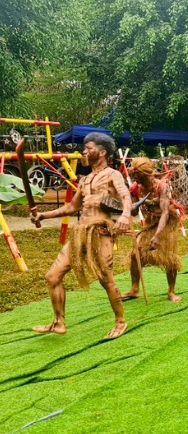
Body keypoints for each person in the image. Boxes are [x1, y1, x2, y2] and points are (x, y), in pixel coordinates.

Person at [30, 133, 131, 338]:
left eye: (89, 148)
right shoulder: (85, 179)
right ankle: (59, 322)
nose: (84, 151)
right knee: (53, 276)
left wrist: (125, 216)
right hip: (80, 235)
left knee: (106, 280)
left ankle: (121, 321)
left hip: (100, 234)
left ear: (102, 152)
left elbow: (125, 196)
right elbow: (71, 207)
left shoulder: (113, 175)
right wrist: (44, 214)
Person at [123, 157, 184, 302]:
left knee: (169, 257)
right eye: (134, 175)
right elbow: (131, 212)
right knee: (135, 254)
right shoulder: (135, 188)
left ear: (147, 174)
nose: (135, 178)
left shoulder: (161, 187)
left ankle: (171, 291)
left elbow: (164, 213)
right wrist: (131, 207)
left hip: (167, 222)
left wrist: (157, 236)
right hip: (150, 222)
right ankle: (134, 289)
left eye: (139, 175)